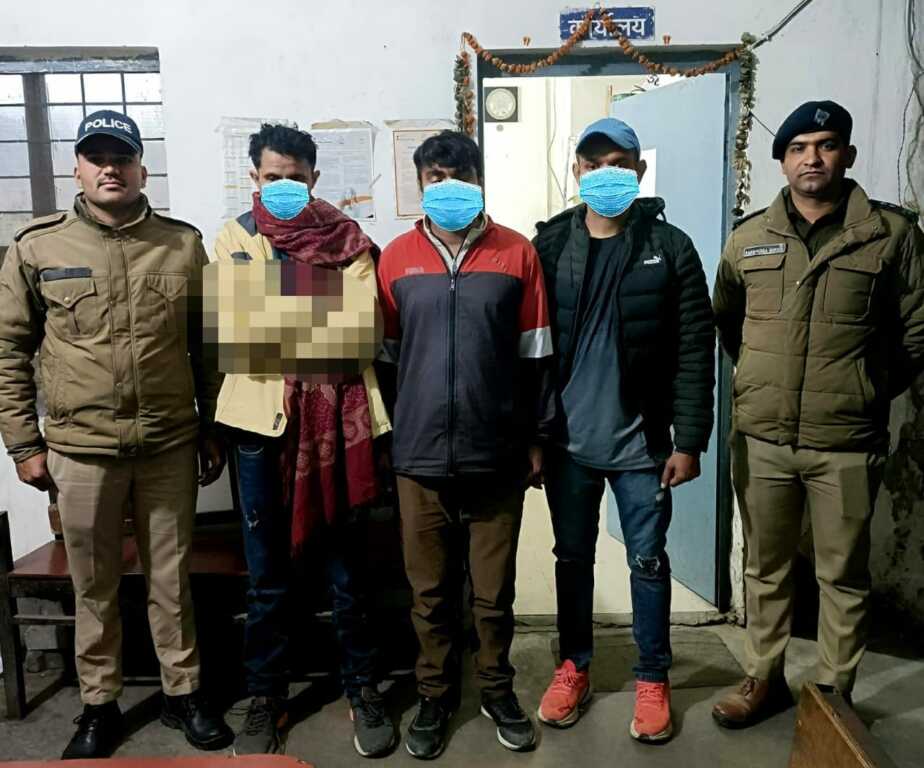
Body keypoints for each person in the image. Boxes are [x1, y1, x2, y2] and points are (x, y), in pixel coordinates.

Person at [0, 110, 231, 759]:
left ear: (140, 169)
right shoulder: (38, 248)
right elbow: (8, 350)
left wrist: (211, 426)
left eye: (121, 157)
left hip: (168, 445)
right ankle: (99, 705)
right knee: (94, 585)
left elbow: (209, 345)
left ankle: (183, 694)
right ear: (77, 168)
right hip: (80, 452)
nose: (110, 168)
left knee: (171, 581)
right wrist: (24, 443)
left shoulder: (180, 245)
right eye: (96, 157)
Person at [712, 100, 924, 727]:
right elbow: (728, 322)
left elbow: (917, 331)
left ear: (847, 155)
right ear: (782, 161)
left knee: (843, 575)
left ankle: (832, 694)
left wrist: (865, 387)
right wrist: (764, 380)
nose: (813, 158)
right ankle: (762, 678)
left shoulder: (892, 236)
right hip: (763, 438)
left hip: (846, 441)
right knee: (765, 569)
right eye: (799, 148)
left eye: (826, 145)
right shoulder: (748, 238)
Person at [212, 123, 396, 758]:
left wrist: (280, 309)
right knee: (267, 578)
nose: (284, 187)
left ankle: (362, 687)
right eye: (272, 177)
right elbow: (240, 331)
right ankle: (266, 697)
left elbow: (363, 332)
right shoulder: (235, 235)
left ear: (314, 178)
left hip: (343, 429)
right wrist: (323, 310)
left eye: (295, 177)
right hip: (261, 428)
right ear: (254, 178)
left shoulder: (350, 237)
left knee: (348, 573)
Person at [532, 118, 715, 743]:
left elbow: (695, 348)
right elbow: (529, 349)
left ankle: (652, 676)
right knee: (572, 558)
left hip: (643, 446)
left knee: (647, 561)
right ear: (577, 172)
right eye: (593, 164)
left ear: (637, 172)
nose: (605, 174)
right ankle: (574, 666)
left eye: (618, 164)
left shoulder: (672, 247)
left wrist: (690, 440)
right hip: (569, 445)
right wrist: (534, 435)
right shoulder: (550, 246)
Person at [375, 130, 555, 759]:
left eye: (459, 176)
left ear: (478, 180)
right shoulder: (395, 258)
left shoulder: (517, 253)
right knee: (428, 592)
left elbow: (537, 355)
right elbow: (386, 361)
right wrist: (389, 437)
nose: (447, 186)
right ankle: (434, 694)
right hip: (418, 456)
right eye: (435, 177)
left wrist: (537, 436)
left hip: (496, 454)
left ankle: (497, 688)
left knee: (492, 592)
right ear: (421, 184)